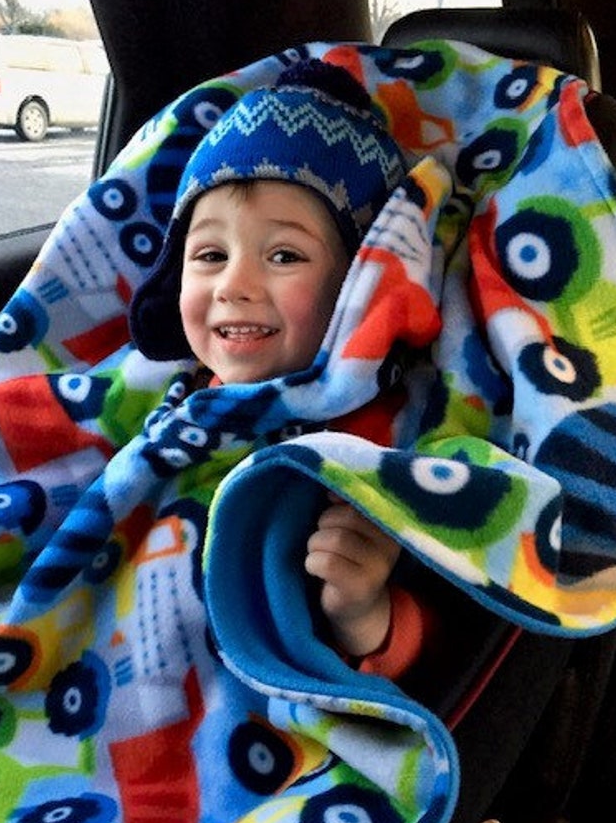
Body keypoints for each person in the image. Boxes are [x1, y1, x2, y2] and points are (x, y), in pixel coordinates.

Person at [130, 58, 432, 680]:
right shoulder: (185, 392)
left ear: (360, 287)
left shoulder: (376, 443)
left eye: (284, 254)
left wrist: (363, 613)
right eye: (210, 254)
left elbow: (446, 637)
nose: (233, 285)